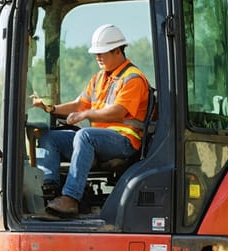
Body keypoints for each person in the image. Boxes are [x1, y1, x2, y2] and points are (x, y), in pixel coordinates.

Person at [31, 24, 150, 217]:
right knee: (50, 137)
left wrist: (87, 115)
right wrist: (50, 108)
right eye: (96, 53)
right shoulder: (99, 79)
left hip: (123, 142)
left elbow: (118, 112)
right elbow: (79, 105)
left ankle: (70, 198)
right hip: (98, 140)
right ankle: (50, 190)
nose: (98, 57)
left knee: (84, 136)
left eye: (102, 52)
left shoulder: (133, 79)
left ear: (118, 50)